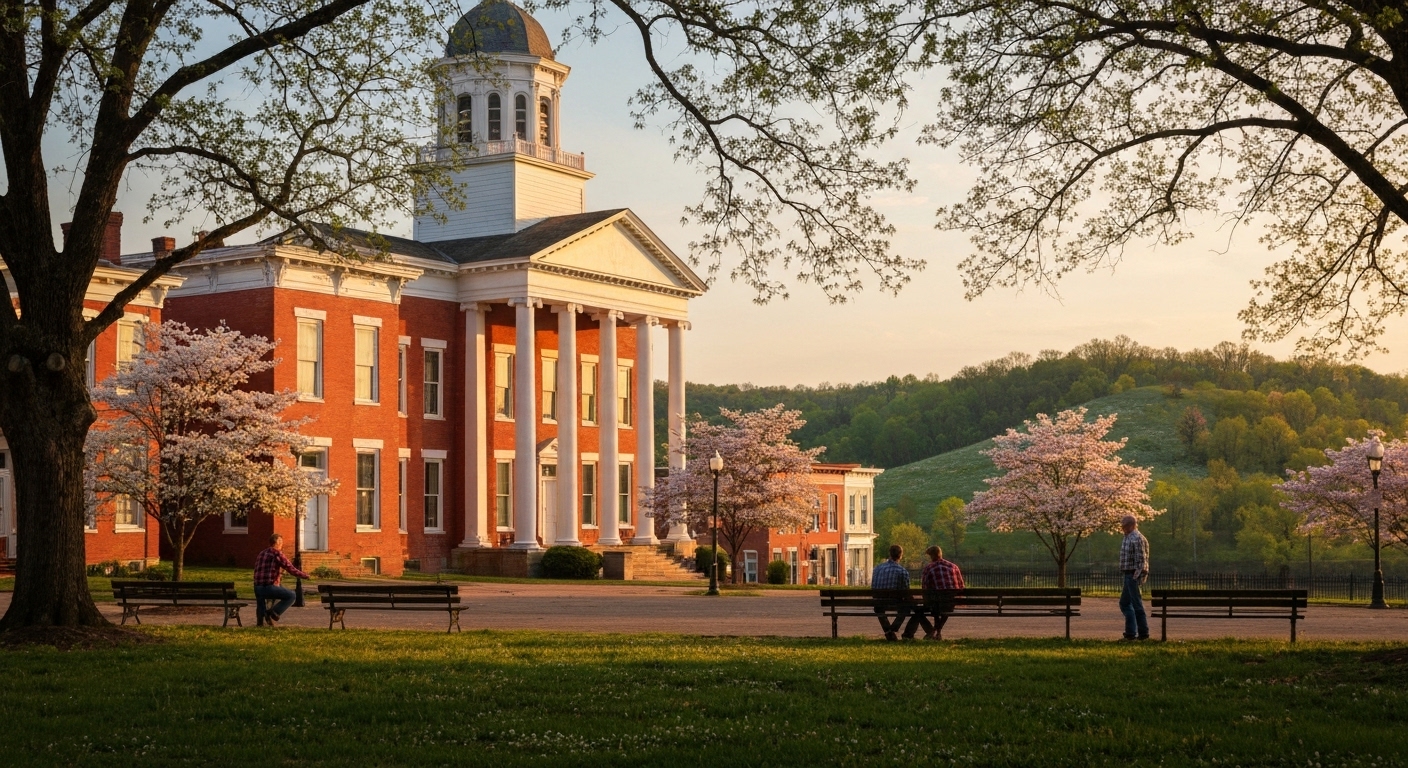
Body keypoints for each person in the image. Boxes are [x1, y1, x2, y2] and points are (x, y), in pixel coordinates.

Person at [870, 544, 933, 641]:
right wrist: (913, 601)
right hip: (895, 602)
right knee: (907, 609)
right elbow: (906, 592)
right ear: (900, 555)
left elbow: (873, 586)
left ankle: (889, 632)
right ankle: (893, 629)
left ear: (890, 554)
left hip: (878, 601)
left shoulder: (877, 568)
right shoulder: (902, 571)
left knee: (879, 609)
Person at [253, 533, 311, 627]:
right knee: (291, 595)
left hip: (257, 587)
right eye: (281, 542)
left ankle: (260, 623)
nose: (282, 544)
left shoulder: (262, 553)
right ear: (278, 542)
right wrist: (305, 575)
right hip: (269, 586)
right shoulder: (277, 553)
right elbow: (290, 568)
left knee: (261, 603)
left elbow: (257, 569)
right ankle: (273, 613)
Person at [920, 545, 965, 640]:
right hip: (951, 601)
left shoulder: (928, 568)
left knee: (935, 605)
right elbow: (961, 585)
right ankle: (938, 631)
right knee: (946, 607)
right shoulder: (953, 566)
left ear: (931, 556)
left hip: (936, 602)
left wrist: (926, 599)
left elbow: (924, 587)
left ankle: (935, 630)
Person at [1118, 514, 1150, 640]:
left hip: (1132, 575)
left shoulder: (1137, 538)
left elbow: (1141, 560)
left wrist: (1135, 577)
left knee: (1136, 604)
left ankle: (1142, 633)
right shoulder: (1128, 537)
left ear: (1132, 525)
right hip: (1128, 574)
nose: (1122, 528)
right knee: (1125, 603)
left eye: (1124, 526)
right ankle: (1131, 632)